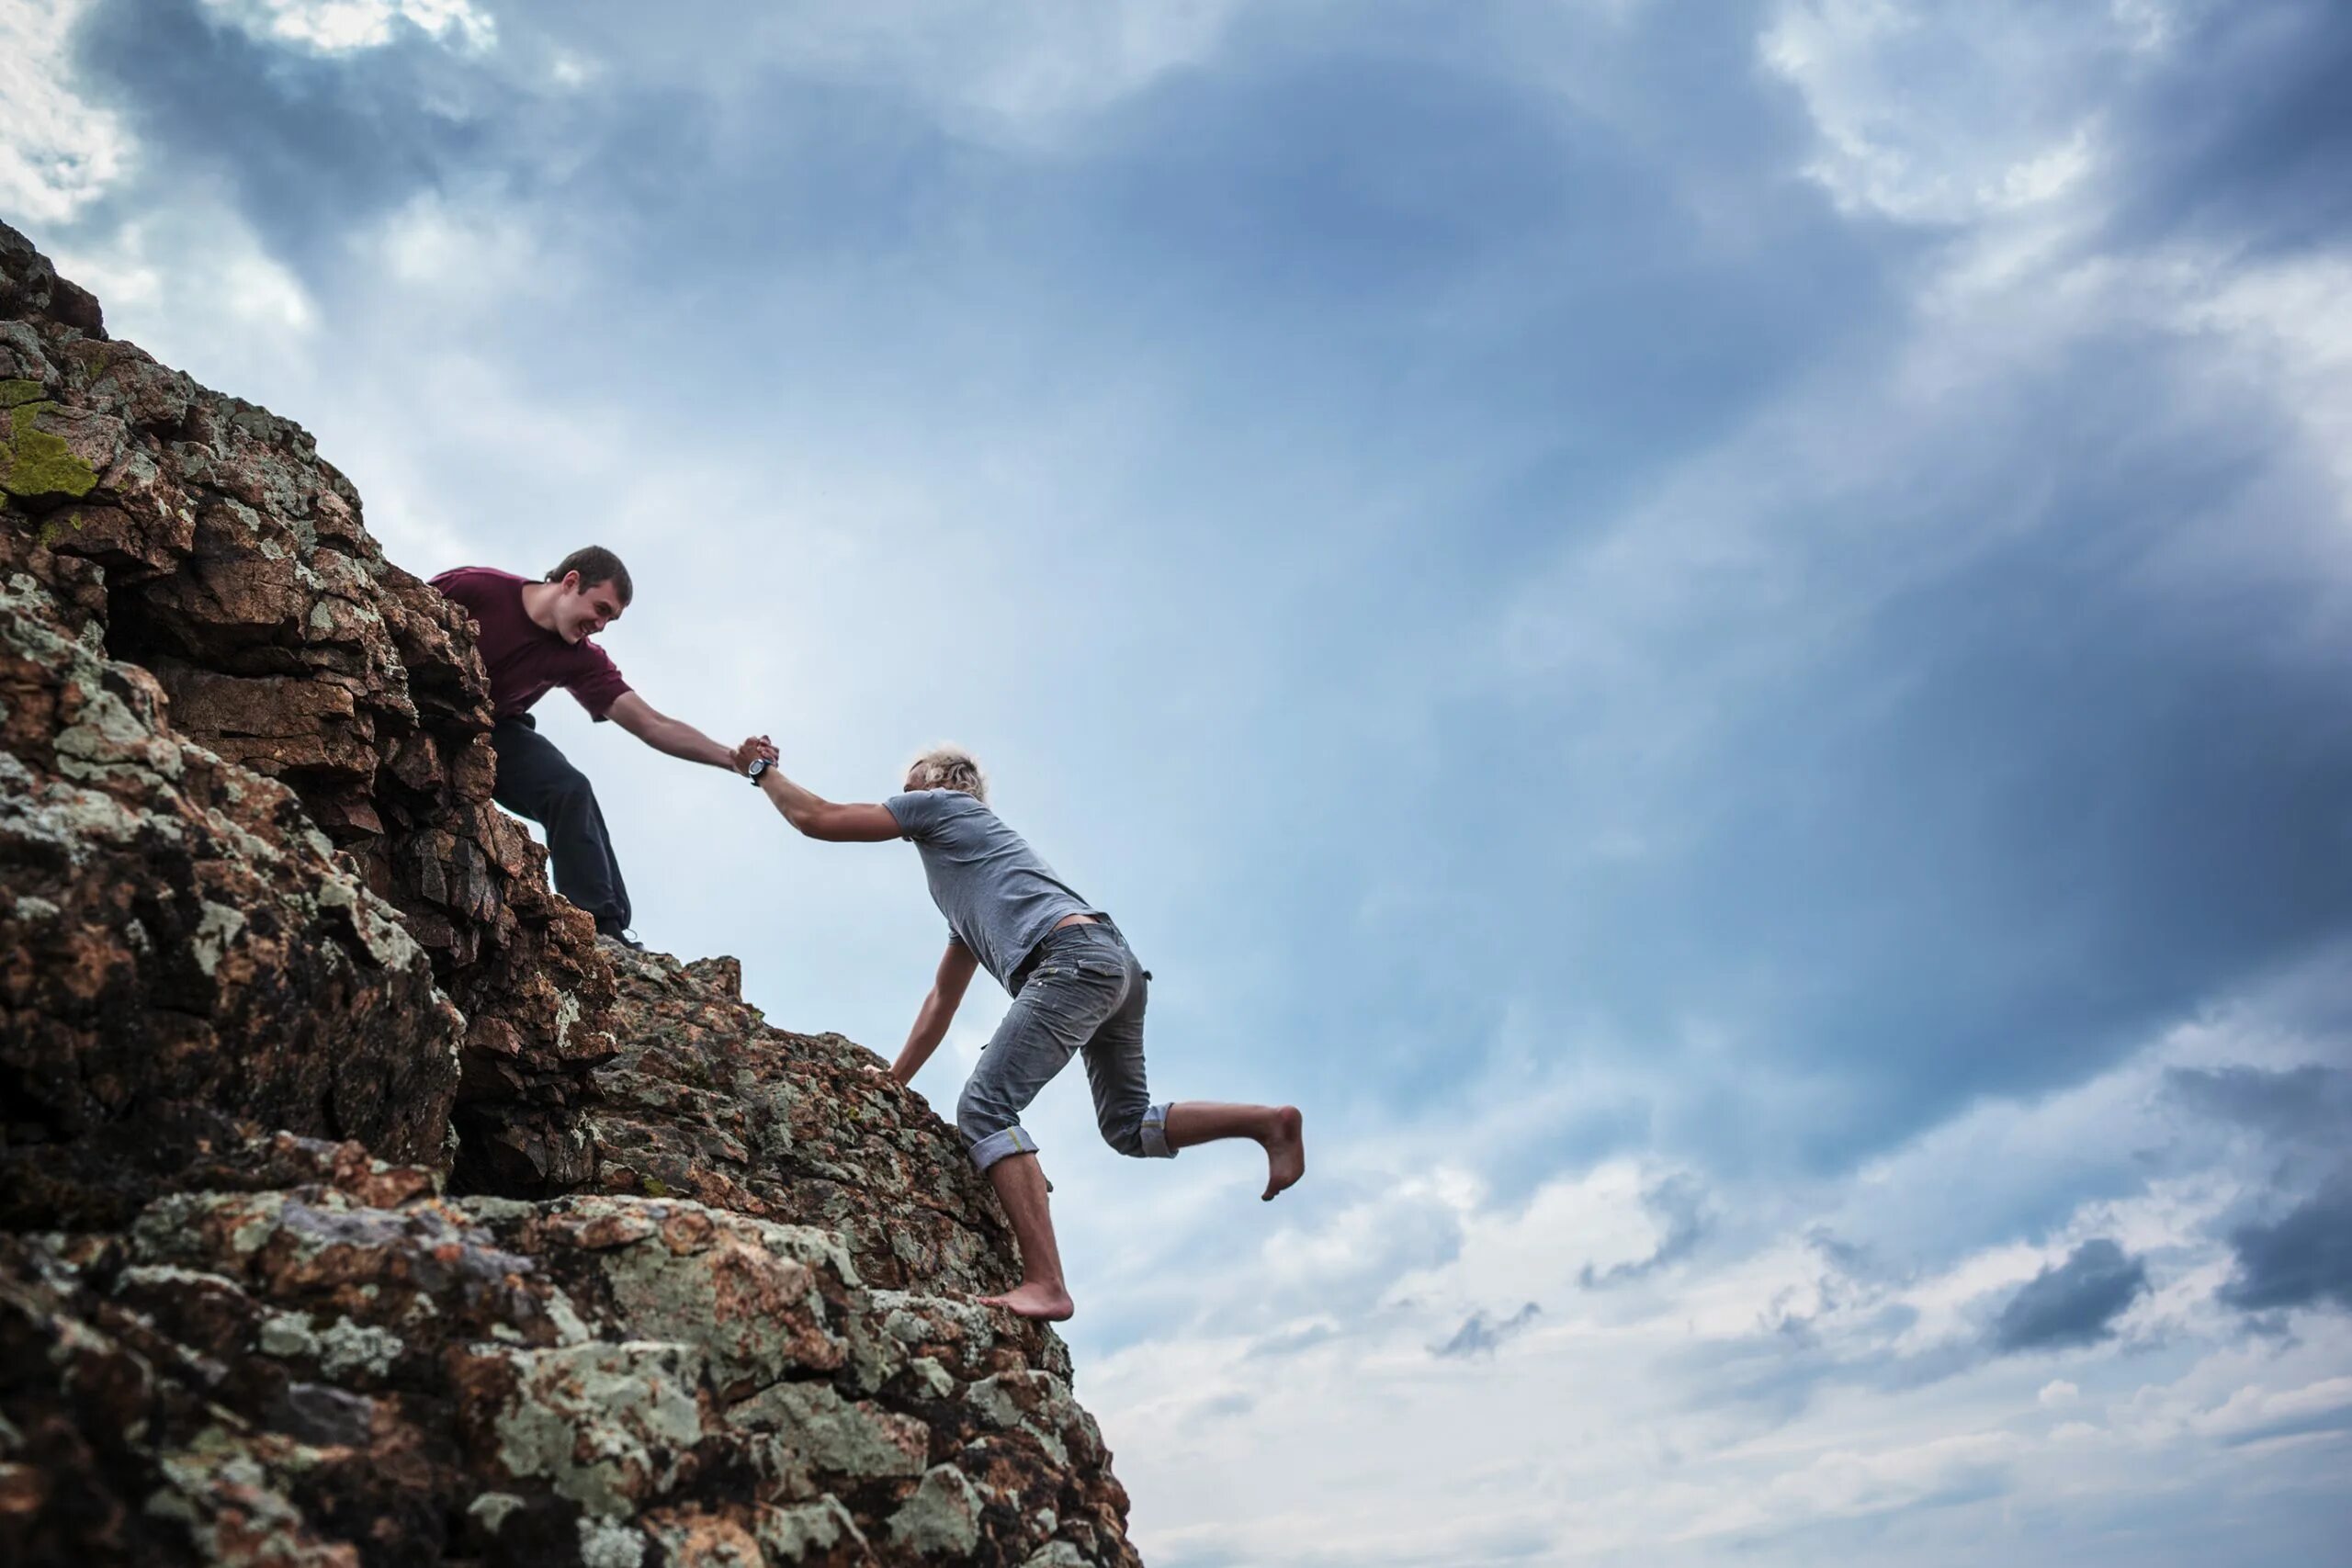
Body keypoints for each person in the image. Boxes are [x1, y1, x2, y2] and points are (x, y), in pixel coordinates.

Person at [744, 741, 1306, 1320]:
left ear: (945, 784)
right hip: (1114, 966)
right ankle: (1268, 1122)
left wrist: (762, 771)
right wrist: (892, 1080)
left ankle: (1047, 1283)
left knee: (984, 1110)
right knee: (1127, 1127)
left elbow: (819, 819)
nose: (904, 797)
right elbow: (941, 1000)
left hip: (1071, 958)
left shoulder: (942, 807)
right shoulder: (968, 880)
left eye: (913, 785)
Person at [430, 547, 769, 947]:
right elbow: (396, 610)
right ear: (571, 582)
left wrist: (734, 760)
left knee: (569, 789)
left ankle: (602, 930)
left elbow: (652, 723)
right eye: (601, 609)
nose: (602, 625)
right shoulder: (476, 587)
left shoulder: (578, 657)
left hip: (494, 730)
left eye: (611, 618)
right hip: (429, 702)